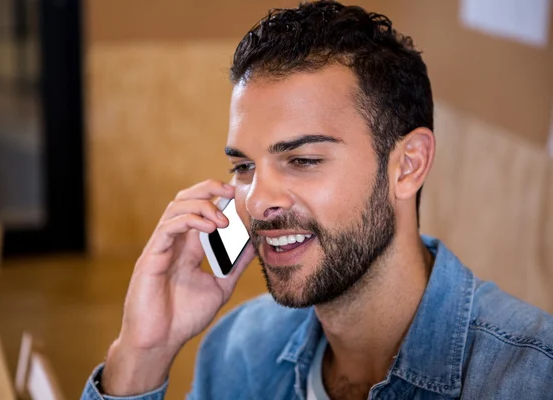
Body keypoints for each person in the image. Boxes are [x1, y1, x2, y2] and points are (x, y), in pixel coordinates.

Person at [81, 2, 553, 399]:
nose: (258, 200)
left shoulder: (530, 376)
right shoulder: (236, 352)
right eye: (244, 166)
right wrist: (143, 354)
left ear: (407, 165)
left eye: (303, 159)